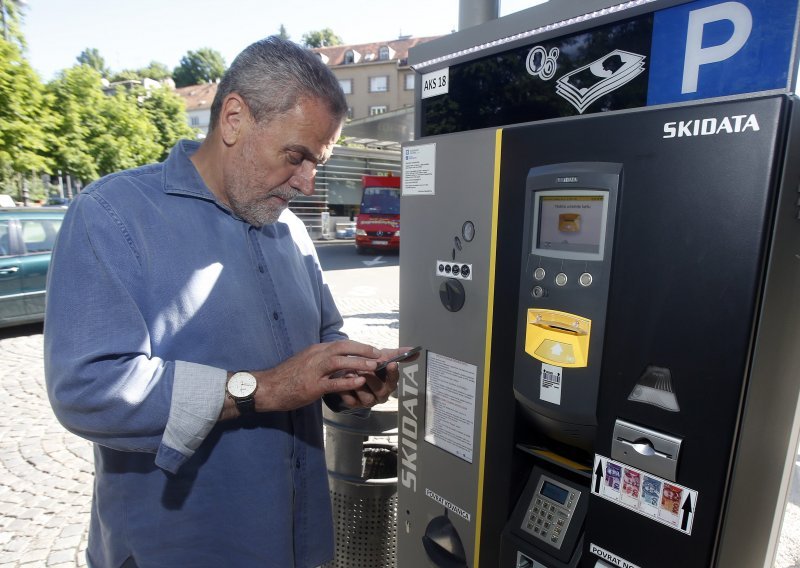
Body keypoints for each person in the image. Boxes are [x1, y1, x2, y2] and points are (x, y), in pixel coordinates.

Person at [44, 36, 409, 568]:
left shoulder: (292, 233)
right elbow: (87, 389)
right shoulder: (111, 215)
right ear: (234, 119)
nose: (308, 183)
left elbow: (324, 338)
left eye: (319, 161)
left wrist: (348, 378)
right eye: (297, 156)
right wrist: (261, 388)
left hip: (299, 542)